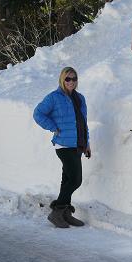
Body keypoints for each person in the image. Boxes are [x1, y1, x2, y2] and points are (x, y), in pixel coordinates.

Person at [33, 67, 92, 228]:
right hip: (63, 144)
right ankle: (57, 211)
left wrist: (86, 143)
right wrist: (53, 127)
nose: (71, 82)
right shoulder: (54, 97)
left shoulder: (80, 98)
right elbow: (38, 114)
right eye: (68, 79)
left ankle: (65, 213)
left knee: (67, 179)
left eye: (74, 78)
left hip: (78, 144)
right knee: (75, 180)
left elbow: (83, 122)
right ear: (62, 80)